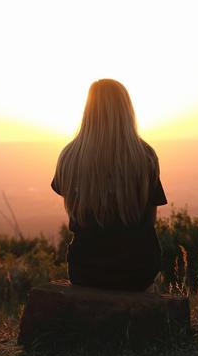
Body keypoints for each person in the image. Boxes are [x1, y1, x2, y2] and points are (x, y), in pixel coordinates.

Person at [51, 79, 167, 291]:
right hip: (137, 270)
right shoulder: (145, 156)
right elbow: (149, 222)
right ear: (126, 110)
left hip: (85, 270)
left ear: (88, 110)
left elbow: (74, 211)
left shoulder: (69, 157)